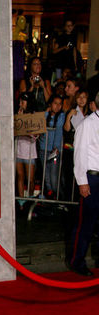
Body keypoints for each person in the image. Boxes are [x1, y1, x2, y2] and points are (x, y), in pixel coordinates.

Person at [65, 97, 99, 276]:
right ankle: (77, 261)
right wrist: (82, 182)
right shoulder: (88, 124)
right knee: (86, 223)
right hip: (92, 179)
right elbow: (79, 154)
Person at [38, 95, 65, 198]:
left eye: (60, 104)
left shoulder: (62, 116)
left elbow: (58, 130)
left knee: (54, 177)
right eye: (55, 103)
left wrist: (56, 147)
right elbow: (39, 126)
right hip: (43, 149)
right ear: (50, 104)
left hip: (55, 152)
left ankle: (59, 197)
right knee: (46, 177)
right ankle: (51, 198)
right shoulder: (45, 115)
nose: (57, 106)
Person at [15, 92, 38, 210]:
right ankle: (20, 201)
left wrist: (27, 132)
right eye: (20, 101)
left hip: (30, 151)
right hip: (19, 149)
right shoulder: (17, 114)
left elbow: (36, 134)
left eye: (23, 102)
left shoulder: (34, 116)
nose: (20, 104)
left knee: (30, 178)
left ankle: (30, 198)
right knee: (20, 176)